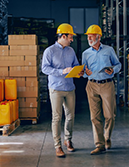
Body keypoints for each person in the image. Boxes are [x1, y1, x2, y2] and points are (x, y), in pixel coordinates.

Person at [42, 23, 83, 157]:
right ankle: (58, 146)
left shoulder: (71, 51)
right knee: (57, 117)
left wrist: (79, 72)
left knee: (70, 116)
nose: (72, 40)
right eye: (70, 37)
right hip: (56, 88)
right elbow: (45, 69)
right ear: (63, 36)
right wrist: (61, 71)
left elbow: (76, 65)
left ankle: (68, 140)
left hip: (70, 87)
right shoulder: (50, 51)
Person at [82, 25, 122, 155]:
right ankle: (99, 144)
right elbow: (83, 72)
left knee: (110, 115)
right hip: (91, 85)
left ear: (98, 37)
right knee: (95, 117)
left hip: (107, 84)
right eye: (88, 36)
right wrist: (85, 73)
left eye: (92, 35)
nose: (89, 38)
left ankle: (107, 137)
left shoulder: (109, 50)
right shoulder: (85, 53)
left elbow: (118, 64)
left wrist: (113, 70)